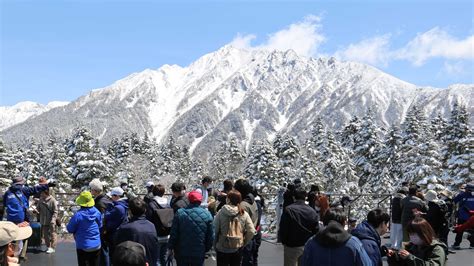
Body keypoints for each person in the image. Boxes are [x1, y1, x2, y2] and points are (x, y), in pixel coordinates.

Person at [3, 176, 54, 259]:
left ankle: (9, 254)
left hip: (10, 218)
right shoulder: (24, 190)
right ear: (21, 183)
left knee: (11, 235)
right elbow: (36, 188)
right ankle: (21, 254)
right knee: (24, 235)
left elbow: (5, 204)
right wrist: (47, 185)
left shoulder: (8, 192)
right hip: (22, 217)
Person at [301, 210, 372, 266]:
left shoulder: (312, 242)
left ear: (324, 222)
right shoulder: (354, 244)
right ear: (344, 224)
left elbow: (304, 263)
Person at [168, 190, 214, 266]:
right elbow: (211, 236)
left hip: (182, 252)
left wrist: (170, 247)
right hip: (199, 252)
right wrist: (206, 249)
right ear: (200, 201)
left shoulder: (180, 213)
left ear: (189, 200)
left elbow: (174, 233)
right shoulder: (207, 214)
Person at [214, 190, 256, 266]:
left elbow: (215, 230)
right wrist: (243, 242)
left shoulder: (221, 212)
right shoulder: (243, 213)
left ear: (228, 200)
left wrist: (215, 245)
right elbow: (252, 231)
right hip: (237, 247)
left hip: (222, 247)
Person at [279, 188, 319, 266]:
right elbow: (316, 230)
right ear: (305, 197)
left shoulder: (288, 210)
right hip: (307, 246)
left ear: (294, 197)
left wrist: (284, 241)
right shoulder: (312, 211)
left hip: (291, 246)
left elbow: (283, 228)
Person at [115, 198, 158, 266]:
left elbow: (119, 250)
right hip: (150, 262)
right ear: (145, 210)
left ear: (130, 211)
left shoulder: (125, 228)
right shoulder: (151, 225)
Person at [67, 191, 102, 266]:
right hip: (96, 245)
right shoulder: (97, 212)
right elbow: (100, 225)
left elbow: (70, 229)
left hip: (83, 246)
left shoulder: (78, 215)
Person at [146, 184, 171, 266]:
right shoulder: (168, 203)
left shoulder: (151, 204)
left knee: (156, 259)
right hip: (167, 234)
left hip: (156, 235)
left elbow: (148, 220)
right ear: (163, 192)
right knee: (164, 257)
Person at [233, 179, 258, 266]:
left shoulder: (243, 205)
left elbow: (239, 225)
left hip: (245, 239)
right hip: (252, 238)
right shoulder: (253, 201)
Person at [89, 178, 112, 266]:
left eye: (91, 189)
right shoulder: (105, 198)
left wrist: (102, 230)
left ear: (95, 190)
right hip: (106, 229)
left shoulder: (99, 202)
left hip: (102, 230)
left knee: (103, 251)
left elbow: (102, 218)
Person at [104, 187, 129, 257]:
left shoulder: (118, 208)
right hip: (120, 231)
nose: (111, 198)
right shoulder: (123, 205)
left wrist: (109, 207)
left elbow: (107, 216)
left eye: (112, 196)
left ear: (116, 196)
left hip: (115, 233)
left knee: (114, 254)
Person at [452, 183, 474, 249]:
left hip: (462, 216)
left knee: (460, 230)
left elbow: (454, 201)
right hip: (471, 217)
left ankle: (457, 244)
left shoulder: (462, 195)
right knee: (472, 231)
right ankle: (472, 244)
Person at [37, 189, 58, 253]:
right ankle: (48, 247)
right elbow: (38, 208)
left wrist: (53, 220)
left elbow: (55, 211)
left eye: (42, 193)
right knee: (45, 234)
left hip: (51, 220)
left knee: (52, 234)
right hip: (43, 220)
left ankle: (53, 247)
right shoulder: (41, 200)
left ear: (46, 193)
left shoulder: (52, 200)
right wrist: (35, 211)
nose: (41, 194)